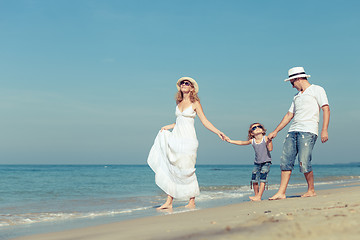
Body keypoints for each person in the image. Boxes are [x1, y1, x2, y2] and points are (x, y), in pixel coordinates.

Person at [147, 77, 227, 209]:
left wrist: (218, 132)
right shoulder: (178, 103)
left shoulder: (195, 103)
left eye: (187, 83)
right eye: (182, 83)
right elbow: (179, 123)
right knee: (172, 167)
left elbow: (204, 121)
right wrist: (168, 126)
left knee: (187, 169)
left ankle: (191, 201)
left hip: (189, 141)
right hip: (176, 139)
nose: (184, 85)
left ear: (192, 88)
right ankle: (169, 201)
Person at [268, 67, 330, 200]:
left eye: (292, 83)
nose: (292, 86)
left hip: (308, 131)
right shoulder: (297, 96)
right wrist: (275, 131)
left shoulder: (317, 89)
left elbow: (326, 109)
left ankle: (311, 190)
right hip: (292, 131)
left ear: (298, 78)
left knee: (304, 161)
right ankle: (281, 192)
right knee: (285, 161)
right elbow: (289, 115)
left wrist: (324, 129)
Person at [226, 123, 273, 201]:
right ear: (251, 133)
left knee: (262, 179)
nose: (257, 128)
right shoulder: (252, 141)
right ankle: (256, 195)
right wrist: (230, 141)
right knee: (254, 179)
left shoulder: (266, 138)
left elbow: (270, 149)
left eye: (259, 127)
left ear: (263, 130)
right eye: (254, 128)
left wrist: (269, 141)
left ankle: (259, 196)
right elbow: (241, 142)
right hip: (257, 162)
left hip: (266, 162)